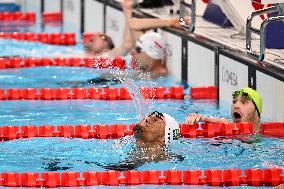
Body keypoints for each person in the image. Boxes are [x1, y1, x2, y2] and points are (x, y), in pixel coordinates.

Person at [95, 111, 183, 171]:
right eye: (148, 116)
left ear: (164, 138)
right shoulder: (121, 146)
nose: (147, 119)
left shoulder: (170, 162)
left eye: (156, 120)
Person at [185, 87, 262, 133]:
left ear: (256, 110)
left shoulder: (267, 136)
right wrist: (201, 118)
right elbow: (222, 122)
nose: (236, 106)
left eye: (244, 102)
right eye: (234, 102)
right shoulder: (228, 127)